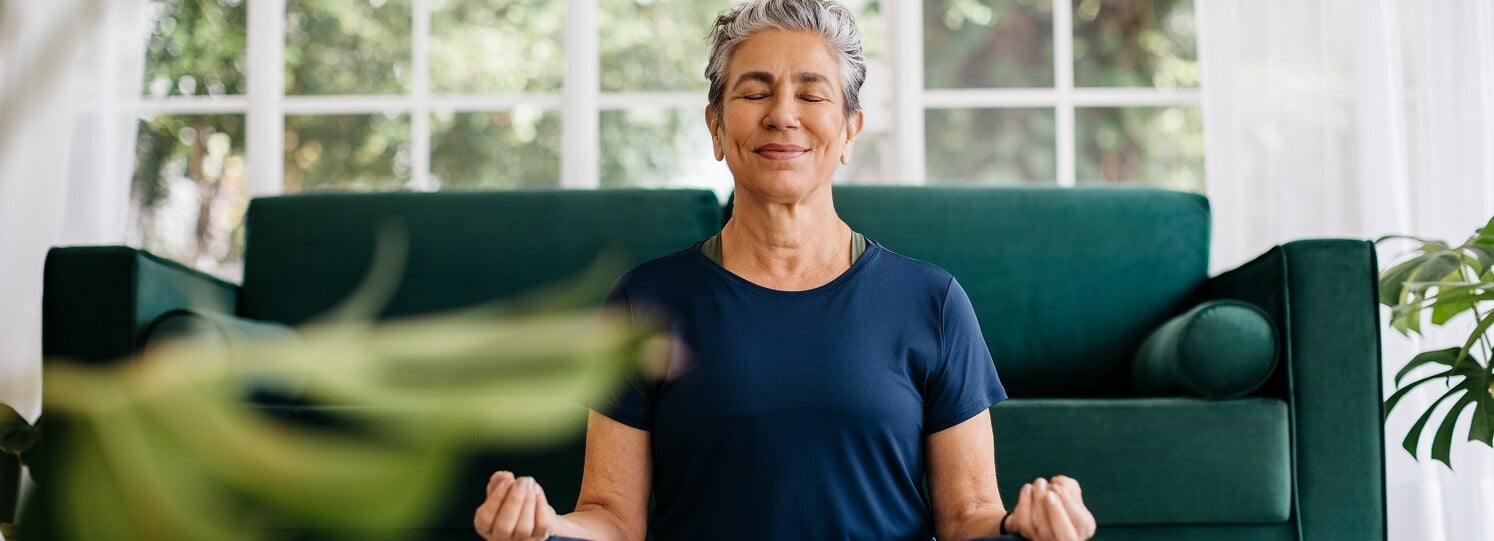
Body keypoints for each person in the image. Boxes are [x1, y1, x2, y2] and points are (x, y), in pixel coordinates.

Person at [472, 1, 1096, 539]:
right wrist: (547, 528)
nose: (783, 115)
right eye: (754, 91)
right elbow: (611, 516)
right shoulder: (644, 301)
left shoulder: (932, 301)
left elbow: (968, 518)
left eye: (812, 93)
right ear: (717, 127)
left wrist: (1023, 526)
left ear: (849, 130)